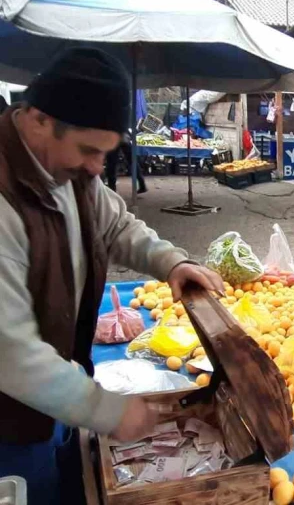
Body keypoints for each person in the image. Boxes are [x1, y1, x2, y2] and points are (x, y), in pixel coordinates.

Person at [0, 48, 224, 505]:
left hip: (61, 388)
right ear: (40, 119)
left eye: (106, 154)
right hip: (10, 421)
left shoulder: (66, 170)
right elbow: (11, 351)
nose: (97, 168)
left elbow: (117, 225)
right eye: (89, 151)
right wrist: (105, 410)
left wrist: (171, 262)